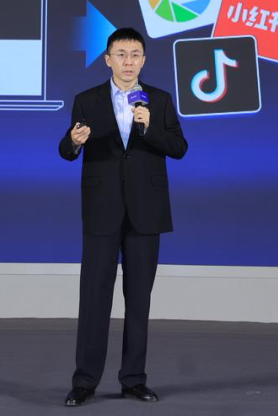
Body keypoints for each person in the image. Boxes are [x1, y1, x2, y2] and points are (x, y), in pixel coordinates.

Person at [58, 27, 188, 407]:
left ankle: (133, 379)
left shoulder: (159, 100)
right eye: (121, 54)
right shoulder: (87, 100)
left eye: (135, 55)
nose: (128, 61)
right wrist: (73, 143)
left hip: (146, 212)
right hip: (102, 210)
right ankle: (84, 382)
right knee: (94, 299)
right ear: (108, 59)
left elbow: (179, 147)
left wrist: (149, 128)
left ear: (143, 61)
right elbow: (67, 148)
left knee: (139, 300)